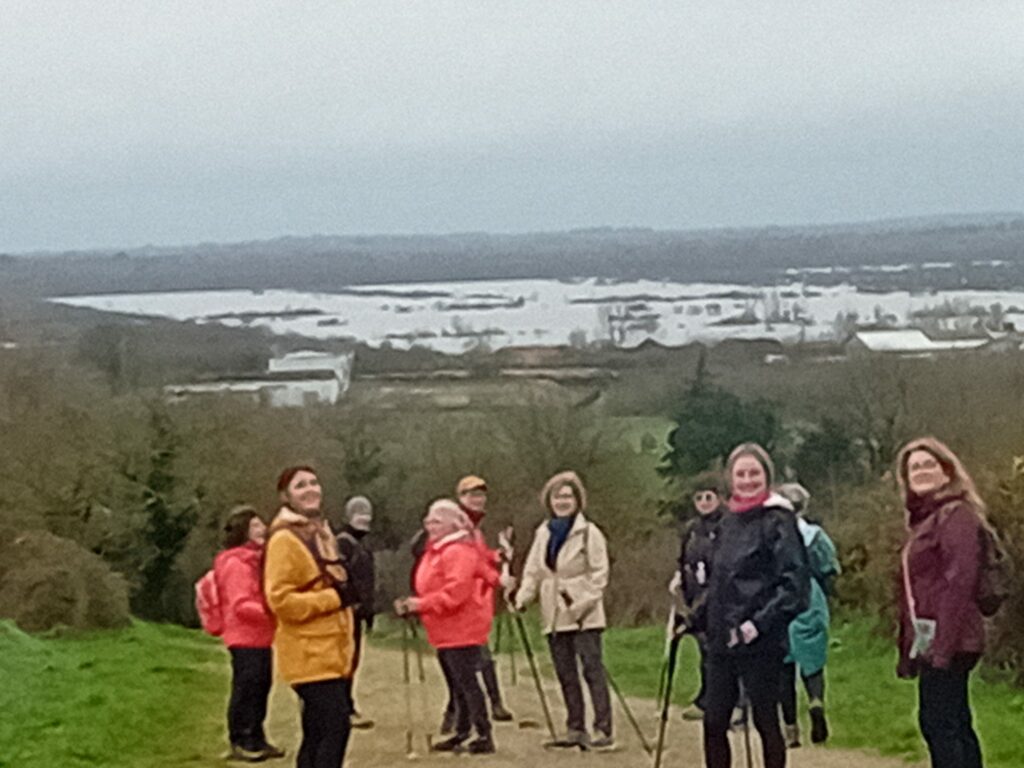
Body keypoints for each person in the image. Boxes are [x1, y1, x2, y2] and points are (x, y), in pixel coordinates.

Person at [696, 443, 809, 768]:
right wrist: (696, 616)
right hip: (722, 640)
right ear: (731, 479)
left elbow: (794, 586)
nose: (747, 480)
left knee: (765, 720)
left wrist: (758, 624)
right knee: (714, 721)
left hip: (762, 640)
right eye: (741, 474)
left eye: (754, 473)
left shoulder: (779, 521)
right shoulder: (727, 522)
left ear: (767, 476)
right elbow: (720, 582)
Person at [896, 437, 987, 768]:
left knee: (939, 723)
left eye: (928, 464)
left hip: (952, 639)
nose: (921, 471)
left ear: (947, 472)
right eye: (914, 468)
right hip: (935, 639)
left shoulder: (956, 516)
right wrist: (910, 647)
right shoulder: (927, 519)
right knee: (952, 721)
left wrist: (942, 649)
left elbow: (959, 582)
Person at [263, 466, 360, 768]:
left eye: (314, 483)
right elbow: (280, 600)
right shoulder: (284, 539)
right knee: (335, 727)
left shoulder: (318, 531)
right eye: (300, 485)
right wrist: (335, 598)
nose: (310, 489)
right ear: (285, 496)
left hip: (330, 650)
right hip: (309, 652)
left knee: (317, 731)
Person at [514, 470, 614, 750]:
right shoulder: (543, 532)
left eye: (568, 496)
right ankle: (575, 728)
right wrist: (523, 598)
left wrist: (582, 604)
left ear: (578, 500)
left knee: (592, 670)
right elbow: (533, 571)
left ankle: (603, 728)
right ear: (549, 500)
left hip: (585, 614)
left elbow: (600, 575)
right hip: (554, 613)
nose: (562, 501)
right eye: (557, 496)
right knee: (565, 673)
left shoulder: (590, 532)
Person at [395, 499, 497, 755]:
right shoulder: (438, 550)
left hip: (462, 627)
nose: (430, 525)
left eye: (436, 521)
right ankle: (463, 731)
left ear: (453, 524)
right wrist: (414, 604)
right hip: (444, 628)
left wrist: (420, 604)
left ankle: (483, 734)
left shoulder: (457, 551)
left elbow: (456, 593)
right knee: (458, 683)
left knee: (466, 682)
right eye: (428, 520)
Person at [437, 475, 514, 733]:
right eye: (471, 494)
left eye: (480, 495)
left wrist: (495, 557)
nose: (477, 499)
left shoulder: (476, 531)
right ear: (460, 498)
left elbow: (478, 559)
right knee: (458, 661)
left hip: (475, 603)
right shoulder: (455, 527)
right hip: (456, 603)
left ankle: (474, 711)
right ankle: (463, 713)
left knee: (472, 658)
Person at [214, 506, 284, 762]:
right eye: (255, 525)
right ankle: (240, 739)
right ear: (242, 531)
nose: (262, 529)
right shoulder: (236, 563)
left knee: (261, 686)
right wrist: (275, 612)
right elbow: (241, 605)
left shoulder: (255, 561)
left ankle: (256, 736)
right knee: (247, 688)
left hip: (261, 636)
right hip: (243, 637)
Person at [776, 482, 840, 747]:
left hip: (780, 598)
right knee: (813, 659)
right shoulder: (815, 535)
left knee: (783, 665)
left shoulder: (774, 535)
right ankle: (815, 701)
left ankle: (790, 728)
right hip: (810, 597)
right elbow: (828, 568)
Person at [669, 472, 726, 722]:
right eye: (699, 498)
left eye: (708, 497)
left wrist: (704, 601)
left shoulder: (725, 527)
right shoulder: (691, 530)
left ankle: (721, 701)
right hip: (693, 597)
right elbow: (683, 561)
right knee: (703, 651)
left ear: (719, 498)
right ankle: (706, 698)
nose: (704, 502)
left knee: (716, 652)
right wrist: (679, 585)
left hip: (718, 600)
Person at [336, 495, 377, 730]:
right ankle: (344, 708)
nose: (364, 518)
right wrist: (352, 602)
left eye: (366, 513)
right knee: (346, 660)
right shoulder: (343, 542)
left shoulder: (361, 543)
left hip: (359, 613)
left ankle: (347, 705)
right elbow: (343, 578)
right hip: (348, 612)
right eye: (358, 514)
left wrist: (369, 609)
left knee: (353, 660)